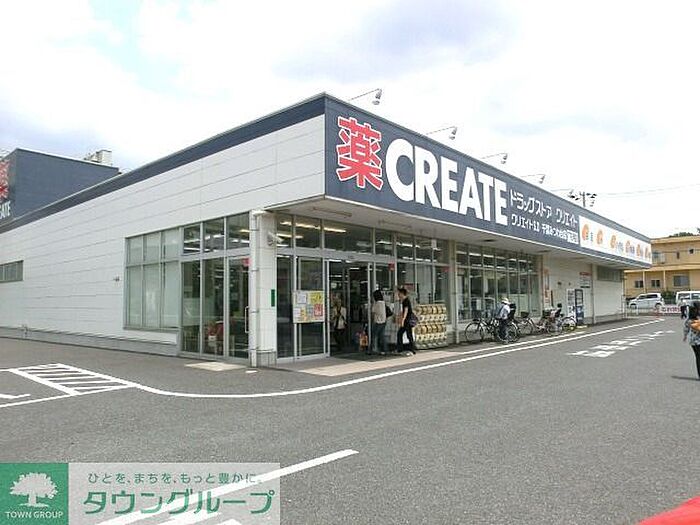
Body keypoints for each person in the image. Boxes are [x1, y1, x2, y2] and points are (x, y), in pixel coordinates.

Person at [681, 301, 700, 380]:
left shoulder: (690, 319)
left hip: (693, 342)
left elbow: (686, 328)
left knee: (698, 358)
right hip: (697, 341)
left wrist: (685, 336)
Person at [396, 287, 415, 355]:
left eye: (399, 294)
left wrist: (403, 320)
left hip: (407, 320)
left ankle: (411, 349)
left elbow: (406, 311)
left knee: (408, 334)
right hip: (407, 320)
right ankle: (401, 349)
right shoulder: (405, 301)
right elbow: (403, 311)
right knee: (402, 334)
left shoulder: (406, 301)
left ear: (402, 293)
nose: (398, 295)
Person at [371, 290, 388, 355]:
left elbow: (373, 312)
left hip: (378, 321)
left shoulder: (377, 303)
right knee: (382, 336)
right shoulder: (383, 303)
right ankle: (384, 349)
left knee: (374, 335)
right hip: (383, 321)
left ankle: (374, 349)